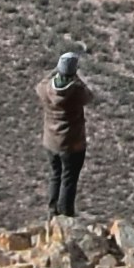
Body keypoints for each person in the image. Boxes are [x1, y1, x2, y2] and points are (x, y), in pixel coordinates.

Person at [45, 54, 91, 221]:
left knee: (55, 175)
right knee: (69, 179)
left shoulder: (47, 89)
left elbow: (40, 84)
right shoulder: (76, 92)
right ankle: (66, 215)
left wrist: (54, 71)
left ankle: (52, 212)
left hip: (51, 141)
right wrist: (76, 77)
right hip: (72, 144)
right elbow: (89, 95)